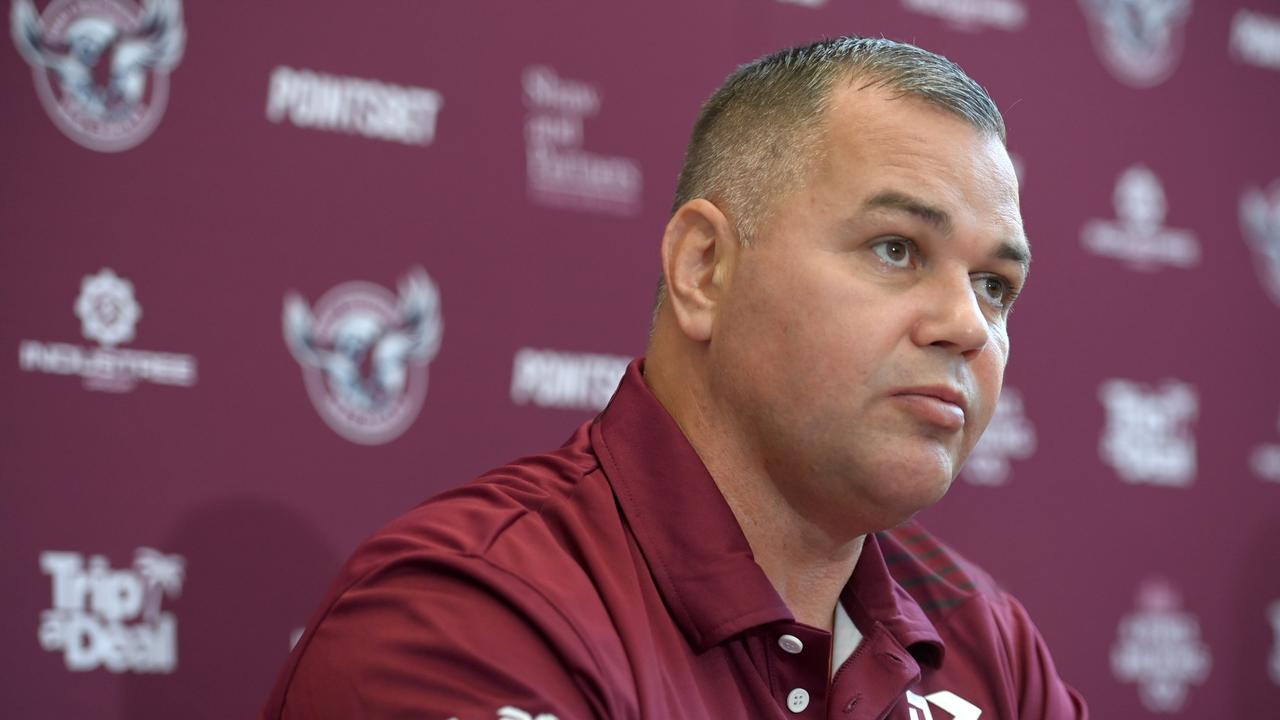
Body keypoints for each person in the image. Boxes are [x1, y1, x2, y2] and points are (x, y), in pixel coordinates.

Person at [263, 36, 1088, 719]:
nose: (967, 326)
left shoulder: (988, 647)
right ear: (705, 268)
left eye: (995, 286)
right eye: (896, 248)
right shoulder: (466, 616)